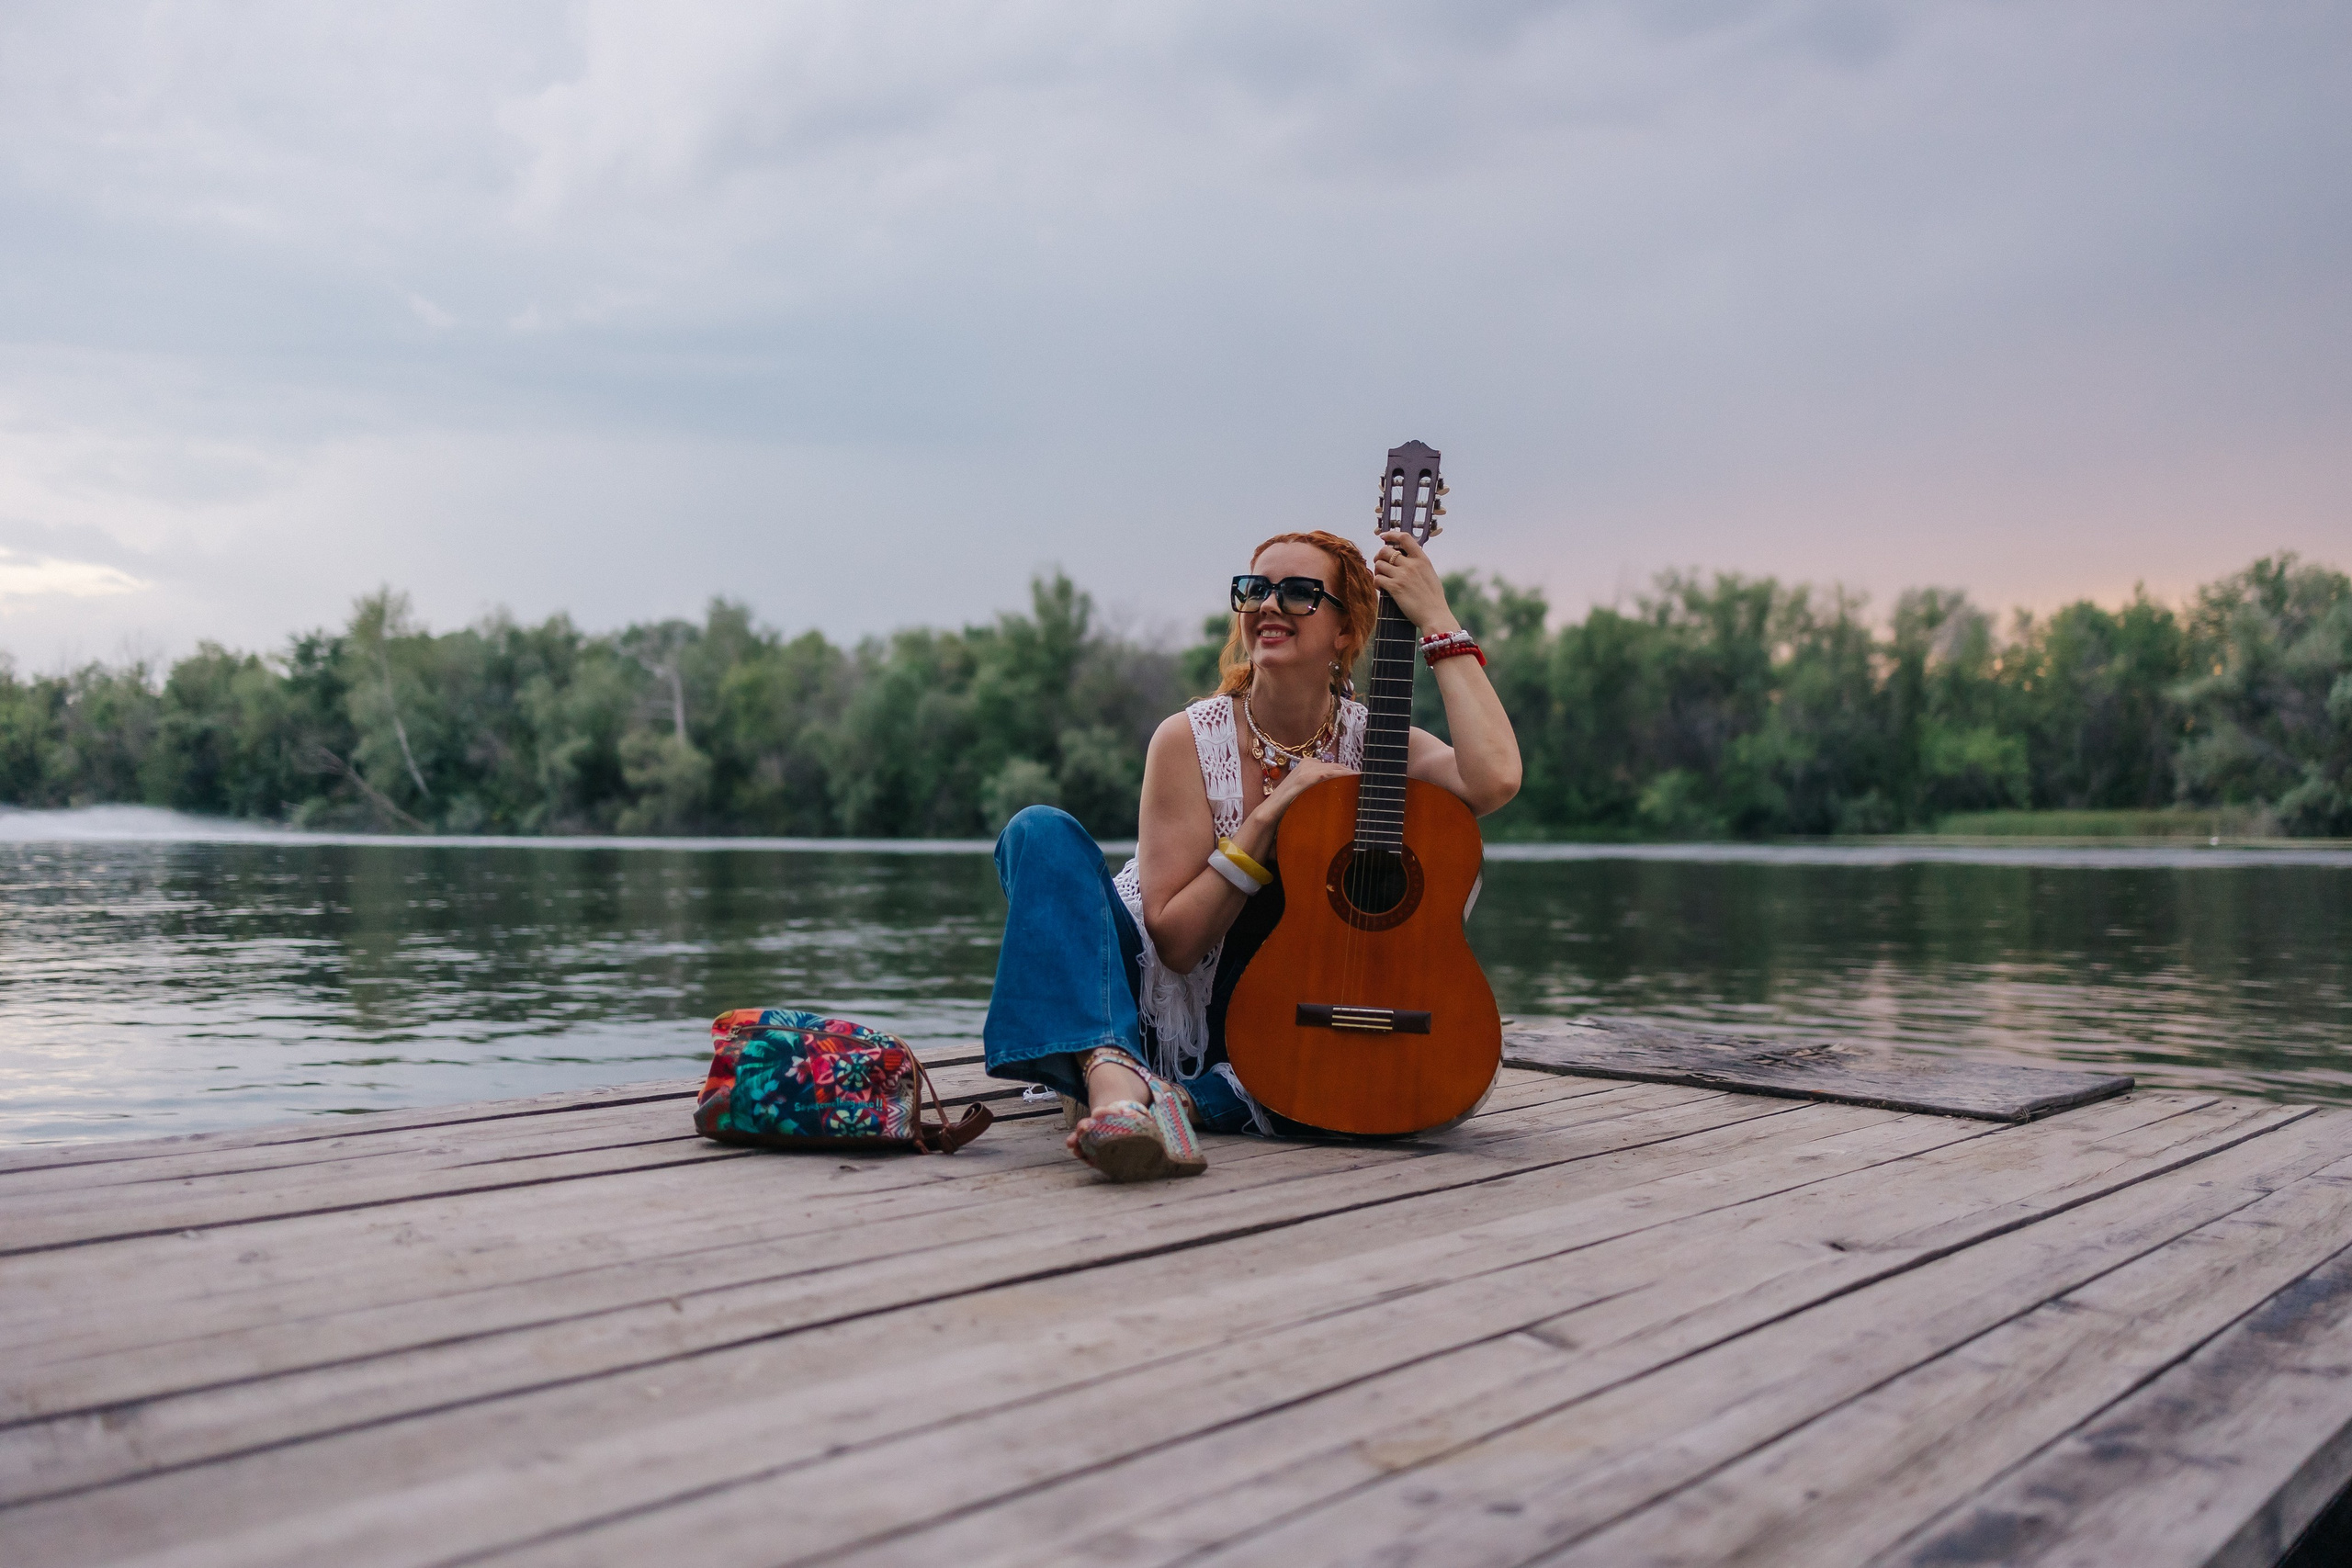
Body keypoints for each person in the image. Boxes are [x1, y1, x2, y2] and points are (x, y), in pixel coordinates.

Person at [981, 526, 1523, 1180]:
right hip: (1147, 1000)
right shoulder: (1187, 739)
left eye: (1298, 594)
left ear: (1346, 632)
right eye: (1255, 589)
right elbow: (1177, 944)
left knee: (1366, 1088)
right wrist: (1269, 816)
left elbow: (1494, 777)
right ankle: (1113, 1076)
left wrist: (1436, 617)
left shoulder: (1375, 749)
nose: (1268, 604)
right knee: (1037, 831)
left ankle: (1172, 1099)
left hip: (1282, 1027)